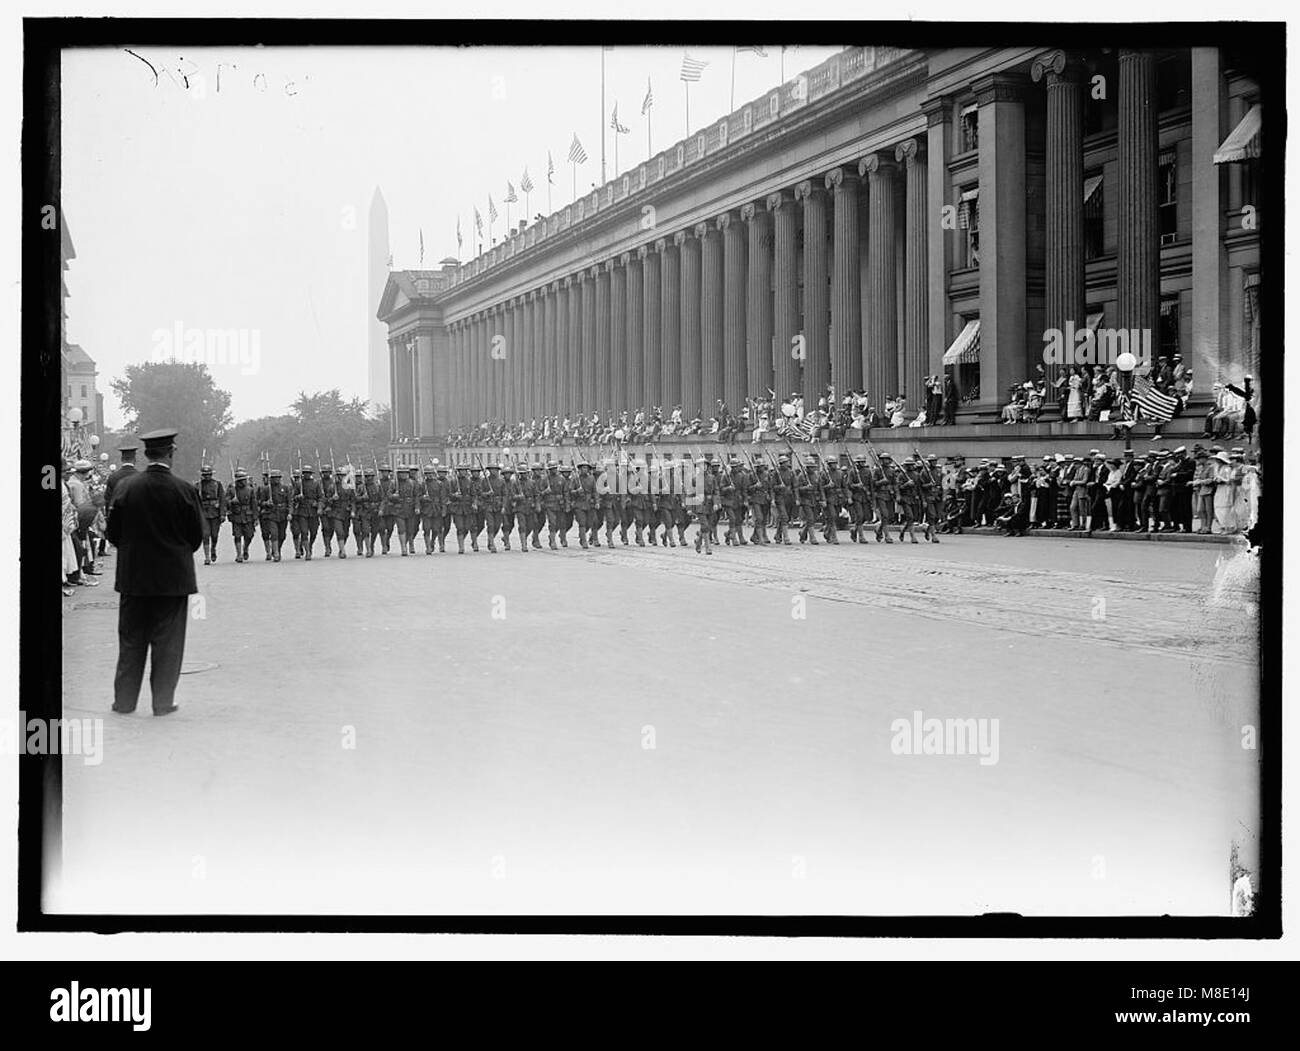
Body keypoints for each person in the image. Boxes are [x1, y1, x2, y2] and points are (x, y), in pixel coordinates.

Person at [105, 428, 203, 717]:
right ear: (170, 453)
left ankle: (124, 703)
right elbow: (196, 537)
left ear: (146, 455)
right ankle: (162, 703)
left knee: (131, 641)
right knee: (168, 644)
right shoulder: (184, 489)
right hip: (173, 581)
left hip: (133, 579)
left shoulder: (126, 488)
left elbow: (113, 535)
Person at [197, 464, 227, 565]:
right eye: (205, 475)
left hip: (215, 512)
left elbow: (222, 499)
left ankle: (213, 548)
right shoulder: (198, 485)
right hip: (203, 512)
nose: (207, 477)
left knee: (214, 535)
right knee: (205, 535)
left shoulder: (217, 484)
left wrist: (222, 513)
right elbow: (194, 500)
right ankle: (207, 557)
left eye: (208, 474)